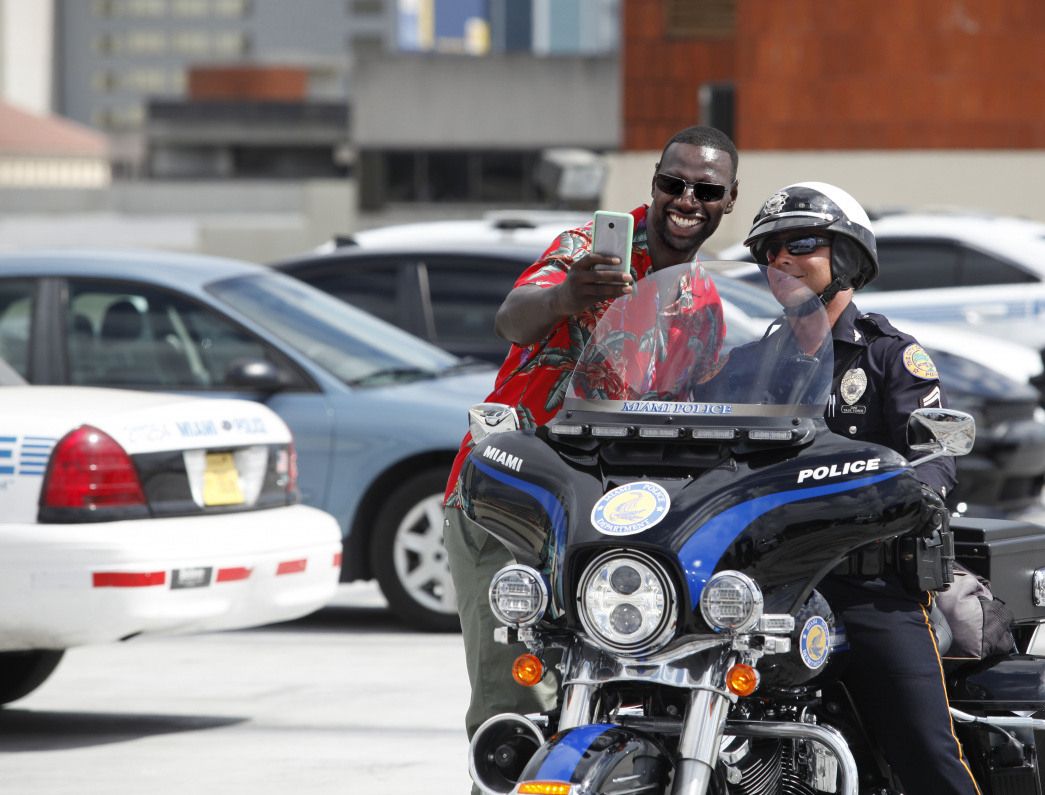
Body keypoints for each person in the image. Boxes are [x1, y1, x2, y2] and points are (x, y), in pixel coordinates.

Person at [443, 125, 740, 746]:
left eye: (707, 190)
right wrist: (566, 297)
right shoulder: (591, 249)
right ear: (654, 184)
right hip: (512, 499)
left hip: (604, 519)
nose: (687, 200)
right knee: (518, 712)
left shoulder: (704, 302)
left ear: (729, 200)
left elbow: (687, 416)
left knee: (599, 704)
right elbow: (511, 318)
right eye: (674, 183)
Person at [742, 181, 980, 795]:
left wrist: (899, 500)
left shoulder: (889, 357)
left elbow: (933, 459)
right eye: (768, 250)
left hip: (866, 585)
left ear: (846, 257)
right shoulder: (751, 363)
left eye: (801, 244)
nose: (780, 260)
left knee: (924, 751)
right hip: (763, 585)